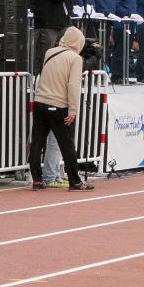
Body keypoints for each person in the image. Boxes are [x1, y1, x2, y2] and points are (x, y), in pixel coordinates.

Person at [28, 26, 93, 191]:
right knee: (67, 146)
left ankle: (36, 180)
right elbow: (73, 86)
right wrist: (73, 110)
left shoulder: (50, 52)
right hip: (58, 105)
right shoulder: (75, 59)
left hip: (40, 102)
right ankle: (75, 181)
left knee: (37, 143)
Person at [28, 0, 88, 75]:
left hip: (61, 24)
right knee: (44, 58)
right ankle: (39, 84)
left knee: (61, 58)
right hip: (47, 26)